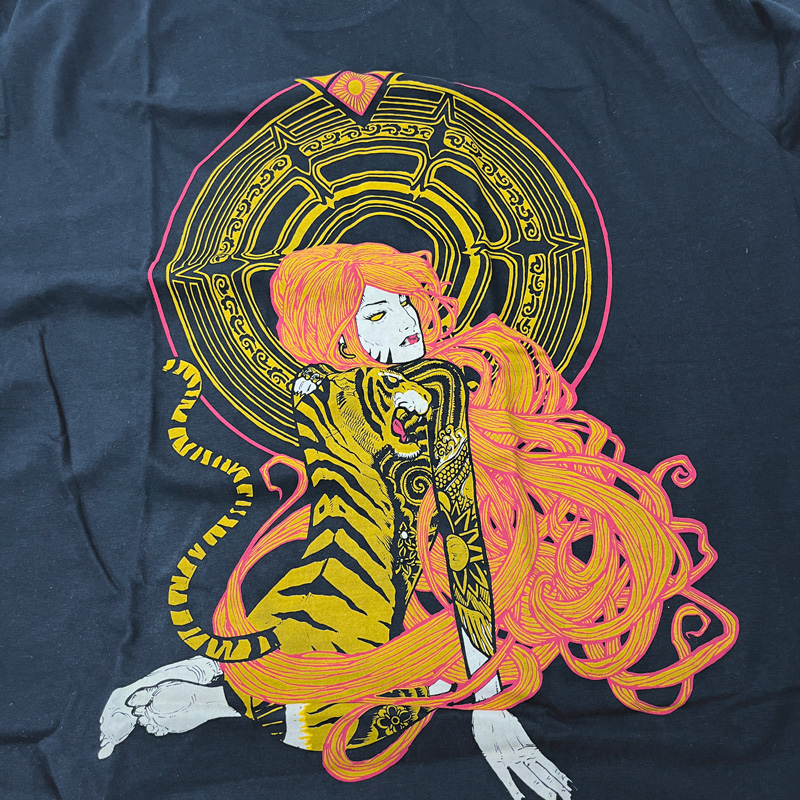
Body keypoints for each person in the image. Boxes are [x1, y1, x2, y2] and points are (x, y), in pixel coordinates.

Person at [100, 243, 736, 800]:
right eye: (377, 314)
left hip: (346, 597)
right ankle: (214, 692)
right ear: (335, 333)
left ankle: (214, 685)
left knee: (364, 690)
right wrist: (490, 704)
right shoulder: (410, 395)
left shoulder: (331, 389)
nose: (405, 323)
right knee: (339, 720)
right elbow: (460, 535)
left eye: (404, 303)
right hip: (342, 614)